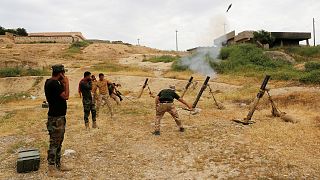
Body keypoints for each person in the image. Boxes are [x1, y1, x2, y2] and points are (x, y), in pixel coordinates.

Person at [44, 64, 71, 177]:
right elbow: (66, 96)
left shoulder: (49, 82)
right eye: (63, 74)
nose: (64, 76)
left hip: (58, 116)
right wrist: (66, 83)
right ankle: (51, 168)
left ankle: (58, 164)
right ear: (60, 73)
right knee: (54, 142)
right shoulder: (54, 83)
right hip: (56, 118)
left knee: (59, 141)